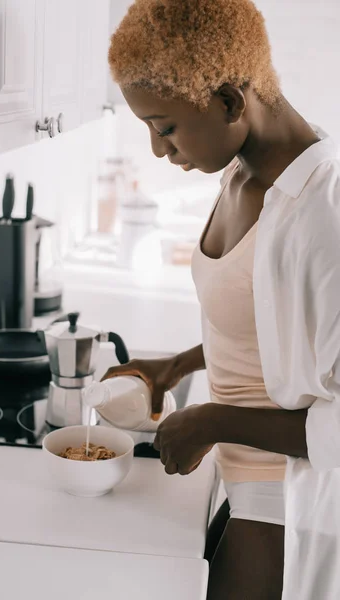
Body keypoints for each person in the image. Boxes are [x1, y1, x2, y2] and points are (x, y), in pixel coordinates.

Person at [103, 1, 340, 599]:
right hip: (238, 484)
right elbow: (265, 327)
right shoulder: (241, 174)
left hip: (282, 510)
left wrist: (211, 419)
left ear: (231, 102)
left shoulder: (324, 216)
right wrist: (179, 366)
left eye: (165, 127)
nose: (159, 150)